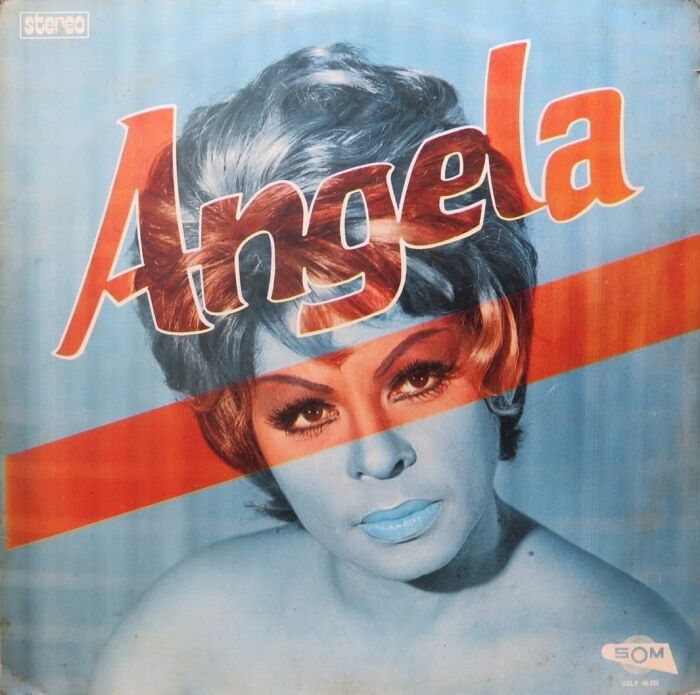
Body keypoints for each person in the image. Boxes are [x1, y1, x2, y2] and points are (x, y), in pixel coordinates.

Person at [90, 44, 697, 694]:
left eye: (416, 378)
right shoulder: (179, 644)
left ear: (496, 356)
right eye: (307, 411)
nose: (378, 456)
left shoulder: (630, 665)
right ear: (246, 432)